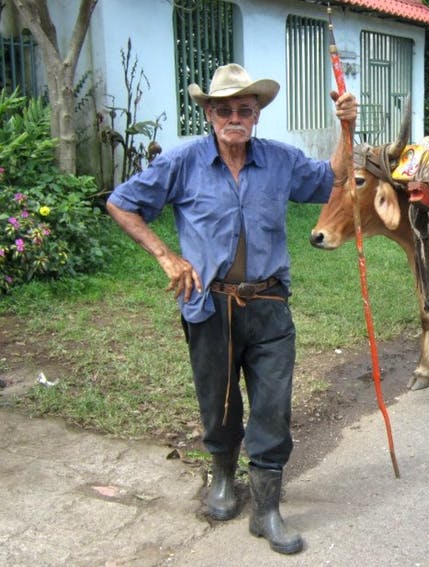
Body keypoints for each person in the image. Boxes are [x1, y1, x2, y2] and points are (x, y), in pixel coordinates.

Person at [106, 63, 358, 555]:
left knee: (273, 406)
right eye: (224, 110)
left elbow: (335, 177)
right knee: (217, 401)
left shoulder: (281, 161)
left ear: (258, 114)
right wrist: (167, 256)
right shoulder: (183, 163)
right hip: (209, 306)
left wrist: (346, 128)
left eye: (245, 109)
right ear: (209, 114)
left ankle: (266, 509)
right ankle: (223, 478)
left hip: (268, 304)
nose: (234, 117)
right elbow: (121, 202)